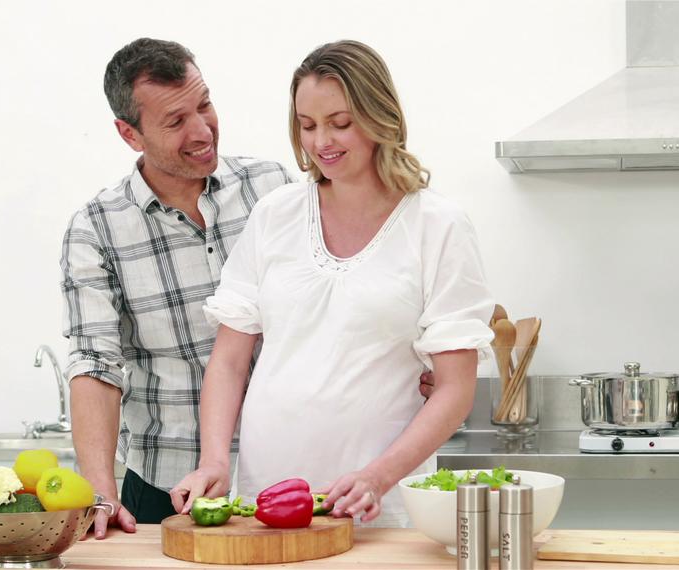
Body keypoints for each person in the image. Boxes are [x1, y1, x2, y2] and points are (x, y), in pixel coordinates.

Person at [170, 39, 494, 527]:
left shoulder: (438, 225)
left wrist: (377, 477)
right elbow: (230, 361)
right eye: (307, 125)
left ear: (379, 116)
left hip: (378, 504)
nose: (322, 141)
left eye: (340, 123)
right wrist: (214, 460)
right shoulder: (275, 214)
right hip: (268, 495)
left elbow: (455, 389)